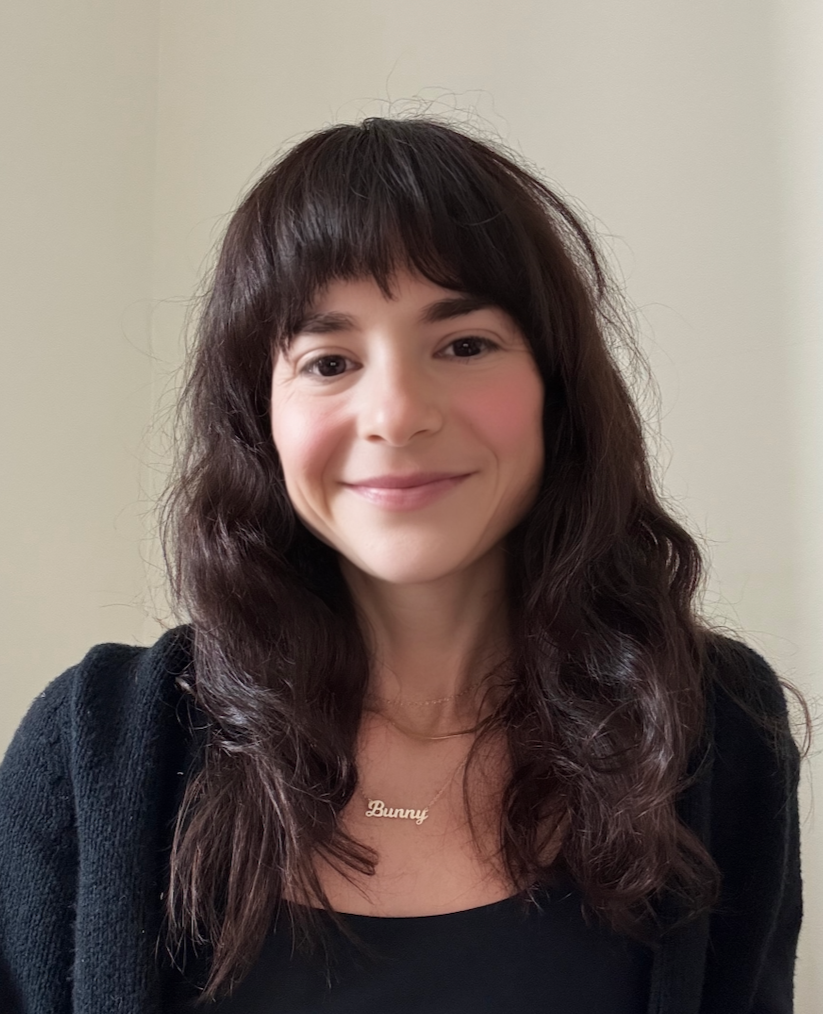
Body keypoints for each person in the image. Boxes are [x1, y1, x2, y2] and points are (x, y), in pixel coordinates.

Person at [0, 116, 803, 1014]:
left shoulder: (707, 731)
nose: (396, 413)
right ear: (258, 419)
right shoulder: (94, 748)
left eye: (463, 345)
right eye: (329, 360)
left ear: (556, 388)